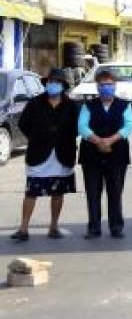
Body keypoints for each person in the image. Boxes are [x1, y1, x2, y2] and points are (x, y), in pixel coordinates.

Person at [10, 69, 80, 241]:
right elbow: (23, 124)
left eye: (56, 82)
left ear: (63, 86)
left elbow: (78, 128)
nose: (52, 84)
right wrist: (38, 138)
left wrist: (62, 137)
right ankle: (23, 228)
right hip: (39, 153)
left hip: (63, 153)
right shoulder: (35, 103)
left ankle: (54, 227)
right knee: (31, 192)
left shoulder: (71, 106)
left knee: (58, 193)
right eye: (50, 81)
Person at [78, 68, 132, 239]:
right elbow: (82, 126)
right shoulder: (88, 105)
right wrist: (98, 141)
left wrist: (109, 141)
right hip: (91, 154)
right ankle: (94, 228)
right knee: (93, 192)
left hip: (117, 153)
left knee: (115, 191)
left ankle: (116, 226)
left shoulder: (125, 104)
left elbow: (128, 126)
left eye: (109, 84)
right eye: (102, 85)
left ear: (115, 86)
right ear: (97, 87)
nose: (106, 88)